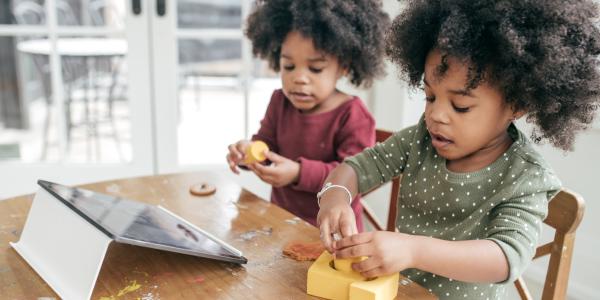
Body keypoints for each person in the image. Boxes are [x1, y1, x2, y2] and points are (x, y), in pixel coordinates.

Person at [316, 0, 600, 298]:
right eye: (429, 97)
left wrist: (414, 251)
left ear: (517, 104)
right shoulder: (420, 140)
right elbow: (357, 167)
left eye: (460, 106)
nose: (437, 115)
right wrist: (336, 197)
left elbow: (506, 257)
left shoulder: (525, 177)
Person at [226, 0, 390, 231]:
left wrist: (298, 173)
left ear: (343, 66)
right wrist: (249, 152)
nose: (299, 78)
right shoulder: (279, 102)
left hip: (331, 233)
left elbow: (355, 177)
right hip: (280, 223)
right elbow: (266, 146)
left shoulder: (352, 114)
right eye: (289, 66)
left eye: (315, 68)